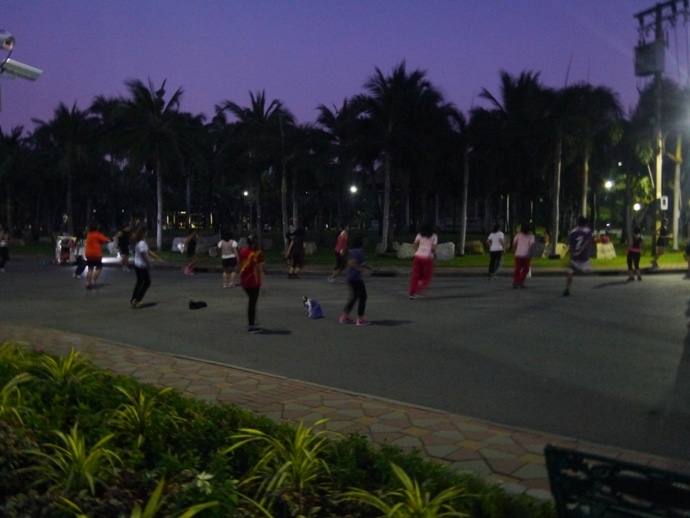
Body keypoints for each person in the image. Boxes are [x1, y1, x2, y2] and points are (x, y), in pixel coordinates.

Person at [339, 234, 373, 326]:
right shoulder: (357, 251)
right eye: (364, 240)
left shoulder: (356, 251)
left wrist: (366, 266)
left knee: (354, 297)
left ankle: (344, 317)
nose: (366, 242)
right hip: (355, 278)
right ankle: (360, 319)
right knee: (363, 297)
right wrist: (361, 270)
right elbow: (351, 262)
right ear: (360, 242)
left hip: (351, 277)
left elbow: (358, 262)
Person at [130, 226, 164, 308]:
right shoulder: (141, 243)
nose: (147, 234)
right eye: (146, 232)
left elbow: (148, 251)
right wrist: (149, 264)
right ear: (143, 233)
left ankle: (134, 299)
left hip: (138, 265)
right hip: (141, 266)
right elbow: (143, 255)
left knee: (140, 282)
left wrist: (158, 258)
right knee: (147, 282)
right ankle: (138, 299)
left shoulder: (142, 241)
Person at [239, 235, 266, 333]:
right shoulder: (257, 253)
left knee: (252, 301)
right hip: (254, 280)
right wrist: (263, 283)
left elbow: (240, 262)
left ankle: (253, 320)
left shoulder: (243, 251)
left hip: (244, 279)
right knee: (252, 302)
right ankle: (251, 324)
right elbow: (260, 268)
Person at [563, 216, 593, 297]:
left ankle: (567, 288)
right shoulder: (587, 231)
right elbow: (587, 242)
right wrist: (580, 251)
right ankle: (578, 270)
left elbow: (567, 242)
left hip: (574, 255)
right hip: (583, 254)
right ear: (586, 223)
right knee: (587, 271)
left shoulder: (573, 231)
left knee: (570, 272)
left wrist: (571, 251)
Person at [409, 221, 438, 299]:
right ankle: (419, 287)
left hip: (418, 256)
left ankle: (412, 292)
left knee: (416, 275)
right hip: (428, 257)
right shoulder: (434, 236)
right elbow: (433, 248)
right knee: (427, 276)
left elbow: (415, 244)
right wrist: (434, 254)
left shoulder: (419, 235)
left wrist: (418, 250)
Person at [84, 221, 110, 289]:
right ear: (96, 227)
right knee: (99, 267)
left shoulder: (89, 234)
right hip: (96, 254)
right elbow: (106, 240)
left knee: (90, 268)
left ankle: (87, 283)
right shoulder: (98, 234)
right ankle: (93, 281)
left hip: (88, 253)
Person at [512, 223, 535, 288]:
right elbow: (531, 246)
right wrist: (531, 253)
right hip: (526, 254)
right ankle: (520, 281)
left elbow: (514, 244)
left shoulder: (518, 235)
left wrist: (514, 250)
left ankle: (516, 281)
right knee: (526, 269)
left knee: (517, 269)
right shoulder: (531, 236)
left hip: (518, 254)